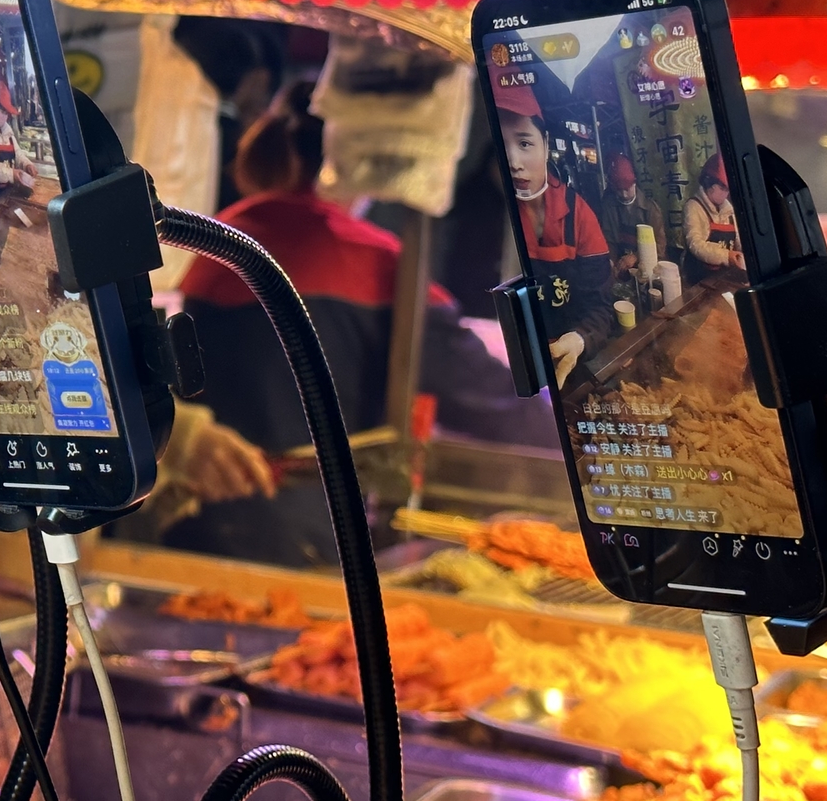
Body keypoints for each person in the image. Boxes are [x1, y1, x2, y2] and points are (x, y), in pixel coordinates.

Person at [159, 84, 555, 565]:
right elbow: (489, 399)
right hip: (303, 543)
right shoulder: (372, 260)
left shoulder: (219, 239)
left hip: (193, 527)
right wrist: (583, 437)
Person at [496, 79, 612, 383]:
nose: (514, 163)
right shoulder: (486, 217)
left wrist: (580, 338)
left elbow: (600, 307)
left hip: (566, 361)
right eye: (500, 145)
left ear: (545, 144)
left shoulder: (579, 215)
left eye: (524, 143)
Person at [682, 151, 743, 285]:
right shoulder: (693, 207)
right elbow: (696, 244)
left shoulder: (729, 210)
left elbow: (738, 240)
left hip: (724, 277)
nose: (725, 194)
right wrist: (727, 256)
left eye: (727, 190)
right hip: (698, 279)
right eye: (722, 188)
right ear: (709, 183)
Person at [601, 154, 665, 281]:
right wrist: (612, 263)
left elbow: (660, 246)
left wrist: (636, 256)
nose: (624, 195)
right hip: (621, 268)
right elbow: (609, 240)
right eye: (619, 191)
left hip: (649, 269)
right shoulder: (609, 207)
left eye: (627, 189)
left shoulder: (650, 208)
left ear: (634, 183)